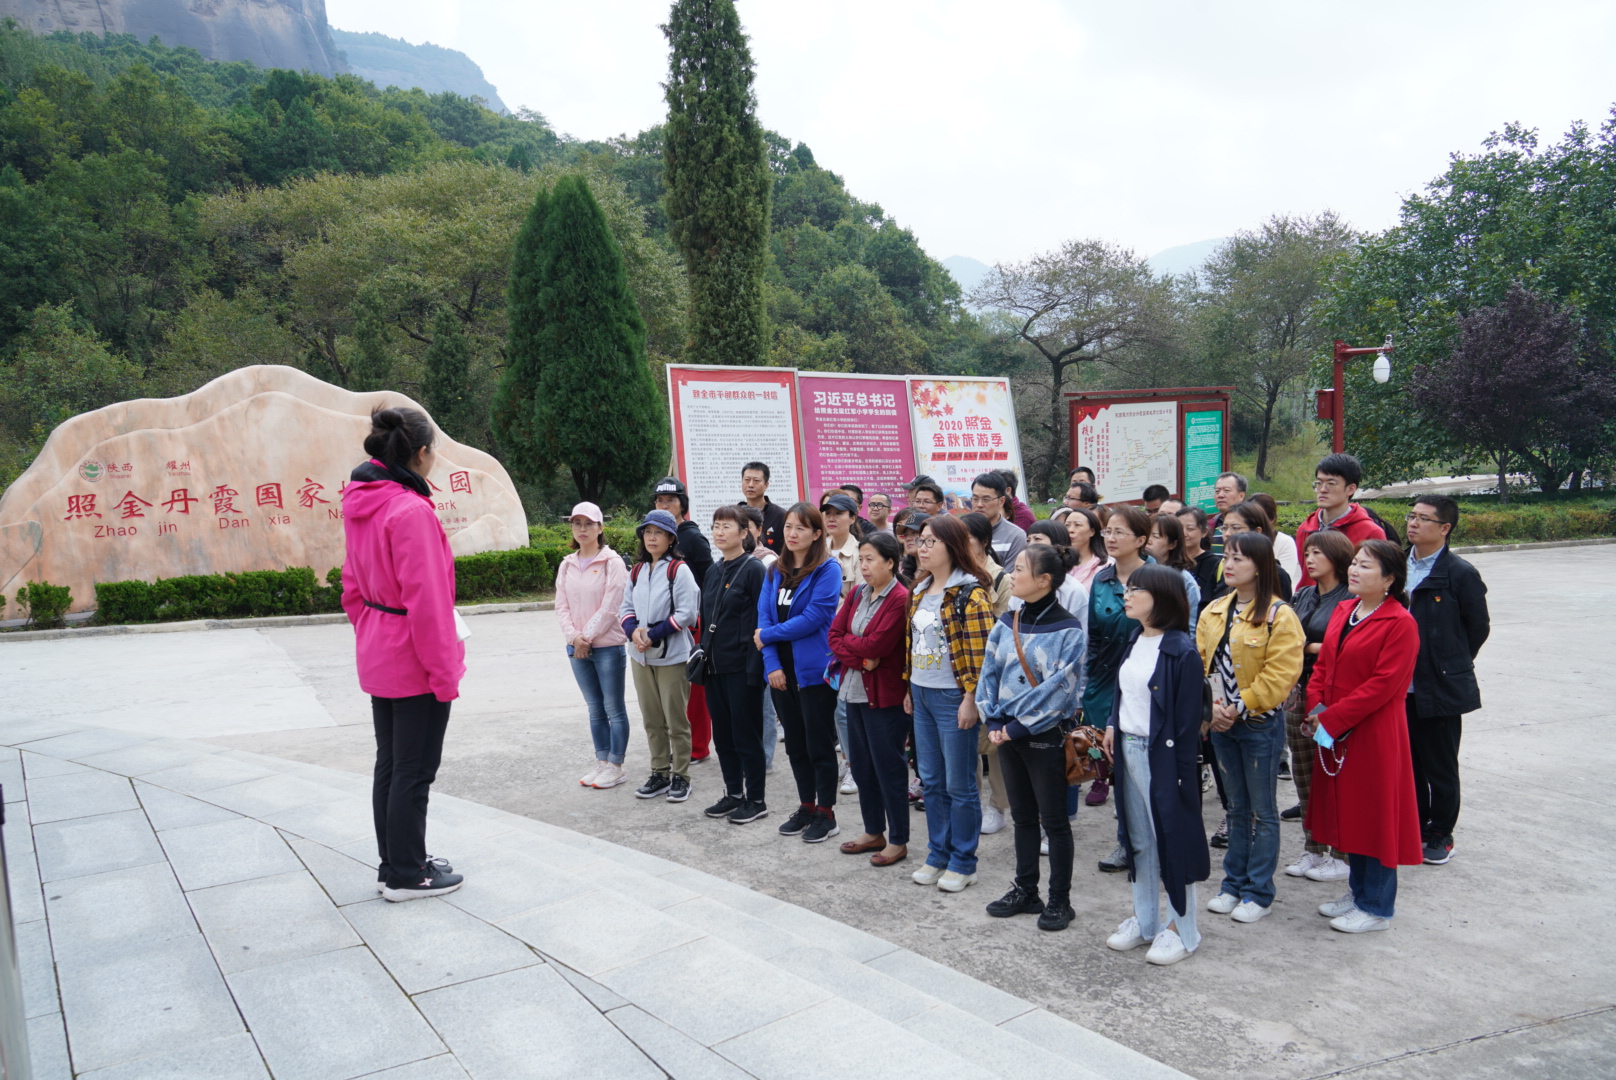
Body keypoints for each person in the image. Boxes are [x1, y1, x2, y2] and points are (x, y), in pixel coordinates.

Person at [342, 407, 466, 901]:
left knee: (392, 765)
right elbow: (429, 604)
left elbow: (351, 586)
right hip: (413, 659)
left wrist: (374, 630)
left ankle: (393, 862)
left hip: (380, 649)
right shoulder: (410, 511)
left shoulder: (363, 502)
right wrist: (444, 674)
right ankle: (408, 874)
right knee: (413, 770)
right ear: (421, 453)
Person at [1306, 539, 1424, 933]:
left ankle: (1376, 907)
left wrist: (1333, 718)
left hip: (1374, 733)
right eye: (1354, 563)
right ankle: (1358, 892)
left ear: (1389, 579)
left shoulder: (1400, 623)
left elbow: (1383, 685)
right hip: (1335, 727)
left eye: (1366, 566)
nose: (1354, 570)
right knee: (1350, 813)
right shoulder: (1346, 609)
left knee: (1375, 817)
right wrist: (1317, 707)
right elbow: (1323, 666)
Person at [1196, 531, 1305, 924]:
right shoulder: (1213, 610)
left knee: (1263, 810)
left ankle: (1259, 891)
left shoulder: (1280, 615)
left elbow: (1280, 675)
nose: (1228, 565)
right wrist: (1213, 709)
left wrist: (1237, 707)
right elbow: (1201, 663)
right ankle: (1233, 884)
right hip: (1221, 723)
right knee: (1236, 808)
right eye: (1226, 556)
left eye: (1238, 558)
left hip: (1258, 725)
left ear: (1260, 566)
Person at [1103, 564, 1209, 965]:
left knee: (1172, 840)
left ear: (1162, 597)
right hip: (1127, 747)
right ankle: (1145, 919)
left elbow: (1186, 725)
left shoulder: (1181, 650)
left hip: (1161, 757)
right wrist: (1112, 723)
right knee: (1140, 840)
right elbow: (1125, 692)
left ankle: (1182, 929)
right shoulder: (1135, 637)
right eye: (1127, 589)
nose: (1126, 596)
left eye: (1136, 590)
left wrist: (1181, 778)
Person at [978, 545, 1087, 931]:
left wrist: (1015, 726)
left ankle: (1060, 899)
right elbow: (989, 670)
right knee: (1022, 817)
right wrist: (993, 717)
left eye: (1020, 569)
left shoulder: (1069, 629)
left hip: (1042, 736)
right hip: (1006, 732)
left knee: (1053, 821)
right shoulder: (1009, 619)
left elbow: (1060, 691)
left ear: (1044, 580)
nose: (1012, 575)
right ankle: (1026, 890)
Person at [905, 514, 995, 893]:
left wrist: (970, 699)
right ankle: (937, 854)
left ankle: (963, 861)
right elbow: (911, 645)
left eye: (931, 542)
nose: (922, 548)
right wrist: (909, 687)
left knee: (960, 784)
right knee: (932, 781)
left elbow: (981, 656)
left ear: (952, 546)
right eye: (921, 540)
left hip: (953, 697)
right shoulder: (919, 589)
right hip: (921, 692)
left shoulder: (970, 595)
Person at [1403, 496, 1490, 866]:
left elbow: (1477, 627)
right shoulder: (1395, 564)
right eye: (1411, 515)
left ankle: (1441, 833)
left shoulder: (1459, 573)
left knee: (1439, 764)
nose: (1413, 523)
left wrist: (1448, 663)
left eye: (1424, 518)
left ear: (1444, 528)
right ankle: (1415, 826)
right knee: (1409, 764)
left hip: (1438, 686)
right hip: (1398, 686)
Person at [756, 503, 845, 843]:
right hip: (781, 671)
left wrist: (768, 636)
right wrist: (772, 665)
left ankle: (827, 813)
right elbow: (763, 618)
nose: (792, 534)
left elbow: (814, 618)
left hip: (813, 671)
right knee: (794, 744)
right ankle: (806, 806)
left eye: (801, 528)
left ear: (817, 534)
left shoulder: (827, 569)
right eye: (788, 527)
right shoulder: (774, 571)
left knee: (818, 743)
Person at [828, 532, 913, 867]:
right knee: (862, 767)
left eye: (870, 559)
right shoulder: (858, 593)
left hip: (885, 697)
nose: (863, 566)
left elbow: (878, 645)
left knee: (889, 769)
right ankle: (874, 830)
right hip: (853, 691)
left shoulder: (899, 598)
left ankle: (899, 840)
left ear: (890, 563)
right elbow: (834, 635)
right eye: (861, 559)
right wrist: (862, 659)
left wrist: (861, 650)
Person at [1283, 529, 1355, 880]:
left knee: (1333, 770)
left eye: (1317, 554)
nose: (1309, 559)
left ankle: (1341, 851)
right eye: (1307, 553)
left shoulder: (1350, 599)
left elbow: (1346, 646)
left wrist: (1307, 647)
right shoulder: (1304, 594)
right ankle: (1313, 847)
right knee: (1304, 772)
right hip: (1299, 692)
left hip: (1329, 699)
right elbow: (1285, 639)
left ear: (1337, 558)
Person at [619, 509, 701, 803]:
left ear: (671, 538)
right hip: (640, 656)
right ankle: (659, 773)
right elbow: (625, 607)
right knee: (652, 720)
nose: (652, 538)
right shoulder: (637, 571)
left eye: (659, 533)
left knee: (676, 720)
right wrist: (633, 632)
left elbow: (687, 613)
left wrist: (653, 634)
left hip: (671, 656)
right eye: (648, 532)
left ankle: (681, 776)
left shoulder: (678, 570)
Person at [698, 506, 770, 825]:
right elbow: (706, 620)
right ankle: (733, 794)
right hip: (714, 668)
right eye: (716, 525)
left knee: (746, 737)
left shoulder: (754, 570)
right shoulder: (713, 571)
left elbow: (762, 620)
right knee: (723, 737)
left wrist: (756, 669)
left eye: (727, 526)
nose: (719, 531)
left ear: (744, 533)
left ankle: (756, 799)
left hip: (743, 668)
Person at [1084, 506, 1154, 829]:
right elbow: (1094, 636)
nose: (1110, 538)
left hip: (1145, 679)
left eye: (1119, 532)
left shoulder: (1157, 577)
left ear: (1141, 539)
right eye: (1107, 531)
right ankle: (1126, 833)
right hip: (1105, 676)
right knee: (1107, 748)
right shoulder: (1101, 579)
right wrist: (1089, 680)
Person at [555, 501, 631, 791]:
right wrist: (574, 638)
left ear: (600, 528)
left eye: (589, 523)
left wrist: (585, 638)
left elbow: (611, 607)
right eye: (577, 523)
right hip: (576, 647)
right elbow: (561, 606)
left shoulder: (612, 563)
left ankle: (616, 766)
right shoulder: (567, 564)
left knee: (614, 708)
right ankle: (601, 761)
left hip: (607, 647)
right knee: (595, 709)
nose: (582, 529)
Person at [958, 511, 1012, 833]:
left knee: (994, 742)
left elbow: (1004, 629)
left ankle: (998, 806)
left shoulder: (1001, 579)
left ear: (984, 541)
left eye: (967, 539)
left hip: (992, 669)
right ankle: (972, 801)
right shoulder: (952, 574)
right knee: (966, 741)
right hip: (959, 669)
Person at [653, 476, 713, 763]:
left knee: (695, 690)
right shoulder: (656, 537)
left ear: (682, 504)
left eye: (671, 500)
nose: (665, 505)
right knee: (670, 693)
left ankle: (698, 747)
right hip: (660, 626)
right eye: (659, 500)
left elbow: (710, 582)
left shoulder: (693, 538)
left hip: (692, 625)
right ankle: (679, 744)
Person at [1293, 453, 1386, 585]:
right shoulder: (1305, 529)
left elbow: (1377, 582)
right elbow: (1307, 576)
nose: (1322, 489)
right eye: (1319, 483)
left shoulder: (1370, 532)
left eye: (1331, 483)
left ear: (1350, 489)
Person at [742, 506, 781, 773]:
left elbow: (770, 607)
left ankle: (764, 757)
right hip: (741, 643)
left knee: (765, 705)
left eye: (746, 526)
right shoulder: (733, 559)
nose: (742, 531)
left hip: (762, 640)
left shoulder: (767, 561)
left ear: (758, 529)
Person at [1020, 520, 1090, 635]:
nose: (1030, 545)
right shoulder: (1021, 583)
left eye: (1037, 539)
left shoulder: (1073, 590)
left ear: (1057, 544)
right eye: (1028, 540)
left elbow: (1082, 633)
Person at [1214, 500, 1294, 601]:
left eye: (1235, 528)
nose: (1227, 534)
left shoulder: (1276, 575)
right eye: (1224, 528)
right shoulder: (1221, 565)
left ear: (1257, 531)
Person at [1145, 512, 1202, 615]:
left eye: (1156, 536)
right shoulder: (1135, 569)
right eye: (1147, 535)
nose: (1148, 541)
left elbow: (1191, 620)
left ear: (1172, 544)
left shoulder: (1184, 580)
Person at [967, 472, 1027, 570]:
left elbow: (1009, 577)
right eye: (975, 499)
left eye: (986, 499)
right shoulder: (960, 531)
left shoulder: (1015, 536)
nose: (979, 504)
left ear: (1001, 501)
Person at [1249, 492, 1301, 585]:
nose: (1251, 521)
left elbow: (1283, 582)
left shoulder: (1284, 542)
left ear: (1272, 519)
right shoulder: (1239, 541)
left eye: (1257, 517)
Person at [1176, 506, 1221, 612]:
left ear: (1204, 532)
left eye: (1190, 529)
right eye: (1179, 528)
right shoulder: (1169, 559)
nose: (1184, 533)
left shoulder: (1214, 563)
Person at [741, 461, 788, 554]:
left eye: (756, 480)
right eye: (747, 480)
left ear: (766, 485)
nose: (750, 485)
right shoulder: (736, 515)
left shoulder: (780, 515)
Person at [820, 493, 862, 595]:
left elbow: (861, 596)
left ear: (853, 518)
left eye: (838, 513)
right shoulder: (818, 550)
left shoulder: (860, 553)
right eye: (828, 513)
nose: (831, 519)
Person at [1065, 508, 1110, 589]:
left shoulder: (1104, 566)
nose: (1070, 530)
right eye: (1067, 525)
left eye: (1077, 525)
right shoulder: (1059, 562)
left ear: (1092, 531)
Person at [1208, 472, 1247, 557]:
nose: (1220, 495)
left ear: (1241, 495)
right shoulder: (1211, 525)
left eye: (1226, 490)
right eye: (1217, 491)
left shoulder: (1250, 522)